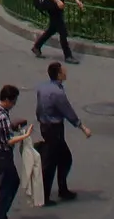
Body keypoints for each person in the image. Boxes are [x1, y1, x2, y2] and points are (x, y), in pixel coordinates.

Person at [36, 61, 90, 201]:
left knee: (58, 159)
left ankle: (59, 189)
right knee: (58, 160)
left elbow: (39, 108)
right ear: (59, 74)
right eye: (63, 71)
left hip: (45, 126)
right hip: (55, 129)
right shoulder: (58, 93)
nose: (66, 72)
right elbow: (68, 112)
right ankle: (49, 194)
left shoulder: (43, 88)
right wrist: (82, 127)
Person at [0, 84, 30, 219]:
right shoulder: (3, 116)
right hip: (4, 153)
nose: (14, 104)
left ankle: (0, 213)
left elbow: (0, 131)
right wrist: (24, 136)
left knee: (5, 183)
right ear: (6, 99)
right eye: (13, 101)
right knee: (9, 185)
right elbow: (7, 140)